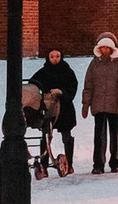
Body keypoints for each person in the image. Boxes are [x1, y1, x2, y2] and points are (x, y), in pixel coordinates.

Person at [80, 34, 118, 174]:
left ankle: (114, 162)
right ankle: (98, 164)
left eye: (107, 47)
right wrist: (86, 103)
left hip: (114, 106)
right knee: (99, 136)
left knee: (114, 135)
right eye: (102, 47)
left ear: (111, 48)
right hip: (98, 105)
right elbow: (88, 85)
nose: (104, 50)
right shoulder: (94, 64)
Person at [28, 47, 79, 176]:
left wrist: (61, 92)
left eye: (57, 56)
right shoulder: (43, 72)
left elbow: (72, 86)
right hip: (47, 107)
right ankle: (44, 165)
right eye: (52, 57)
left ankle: (70, 163)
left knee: (66, 135)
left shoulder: (67, 72)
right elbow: (33, 84)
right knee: (45, 135)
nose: (54, 59)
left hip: (64, 108)